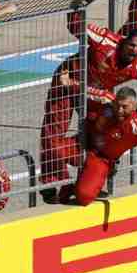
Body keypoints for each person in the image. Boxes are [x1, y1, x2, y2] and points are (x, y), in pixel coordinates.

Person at [38, 53, 84, 204]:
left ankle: (58, 182)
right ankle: (55, 182)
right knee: (51, 136)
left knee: (51, 138)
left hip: (90, 75)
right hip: (74, 70)